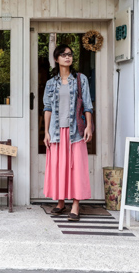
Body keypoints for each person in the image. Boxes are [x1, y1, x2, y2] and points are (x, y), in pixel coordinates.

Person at [43, 44, 93, 221]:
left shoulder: (80, 79)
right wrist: (46, 132)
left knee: (76, 168)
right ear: (56, 59)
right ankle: (61, 202)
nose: (67, 57)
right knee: (59, 167)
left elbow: (87, 104)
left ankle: (76, 205)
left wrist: (89, 126)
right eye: (63, 55)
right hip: (57, 132)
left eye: (70, 55)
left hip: (75, 131)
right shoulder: (51, 83)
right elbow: (47, 108)